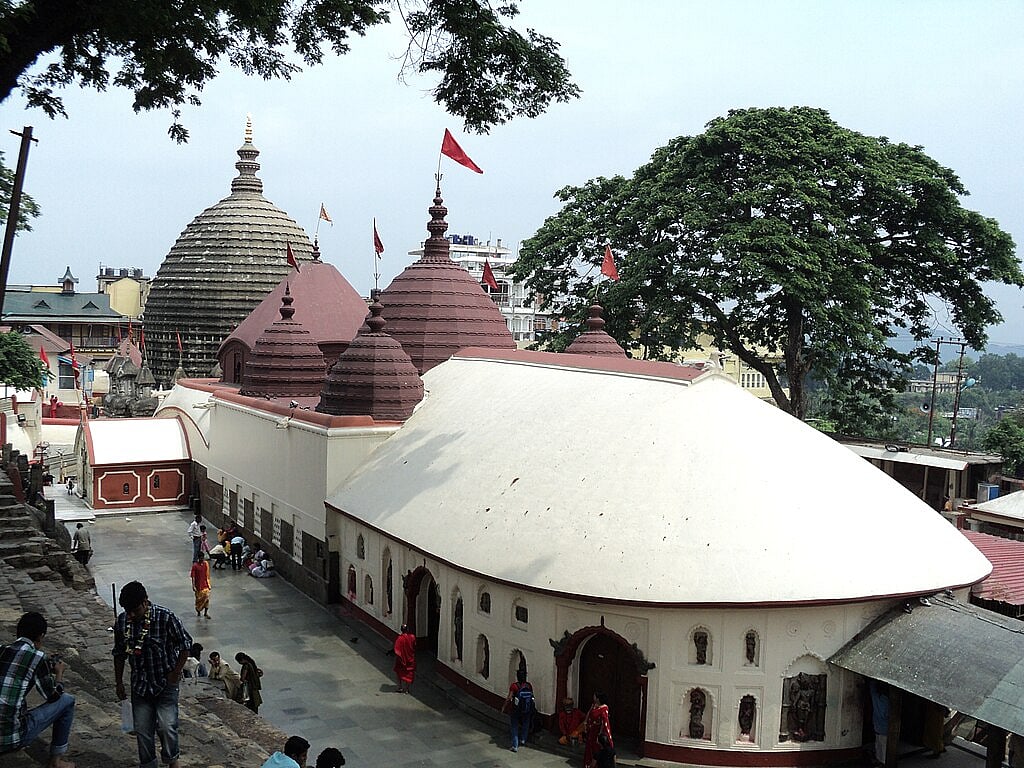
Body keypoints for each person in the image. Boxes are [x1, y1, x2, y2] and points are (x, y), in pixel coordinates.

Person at [113, 580, 192, 768]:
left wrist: (176, 672)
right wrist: (118, 682)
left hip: (165, 681)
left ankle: (172, 759)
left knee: (166, 726)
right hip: (140, 684)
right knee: (142, 730)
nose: (132, 615)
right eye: (128, 611)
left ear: (145, 602)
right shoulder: (123, 621)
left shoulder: (165, 617)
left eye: (135, 610)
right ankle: (148, 764)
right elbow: (119, 653)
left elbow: (185, 644)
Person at [0, 611, 76, 768]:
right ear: (41, 636)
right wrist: (59, 673)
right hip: (9, 738)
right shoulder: (37, 656)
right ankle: (56, 761)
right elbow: (53, 696)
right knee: (67, 701)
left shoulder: (2, 649)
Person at [502, 669, 534, 752]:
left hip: (515, 709)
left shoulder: (514, 686)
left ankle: (515, 745)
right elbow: (532, 696)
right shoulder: (528, 685)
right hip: (527, 708)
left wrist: (504, 707)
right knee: (526, 723)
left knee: (514, 726)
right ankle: (523, 739)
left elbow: (509, 698)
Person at [583, 691, 613, 768]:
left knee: (596, 747)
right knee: (589, 746)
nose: (593, 698)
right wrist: (585, 722)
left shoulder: (604, 708)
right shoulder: (594, 706)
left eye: (594, 697)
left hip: (597, 731)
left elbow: (604, 722)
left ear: (598, 699)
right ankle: (588, 763)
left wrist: (600, 734)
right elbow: (589, 713)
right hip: (591, 729)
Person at [392, 625, 416, 693]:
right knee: (409, 674)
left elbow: (396, 650)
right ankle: (407, 689)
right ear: (407, 630)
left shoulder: (399, 639)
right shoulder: (412, 637)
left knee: (398, 672)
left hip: (401, 660)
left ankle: (400, 687)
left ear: (401, 630)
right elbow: (414, 645)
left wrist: (400, 657)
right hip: (410, 659)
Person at [189, 552, 211, 618]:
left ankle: (206, 613)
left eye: (203, 557)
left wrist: (209, 583)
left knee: (206, 599)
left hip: (205, 585)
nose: (202, 559)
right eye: (201, 558)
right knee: (199, 600)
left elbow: (207, 574)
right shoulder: (195, 566)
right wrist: (193, 586)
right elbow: (193, 577)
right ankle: (198, 611)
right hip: (198, 586)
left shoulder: (205, 564)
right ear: (198, 558)